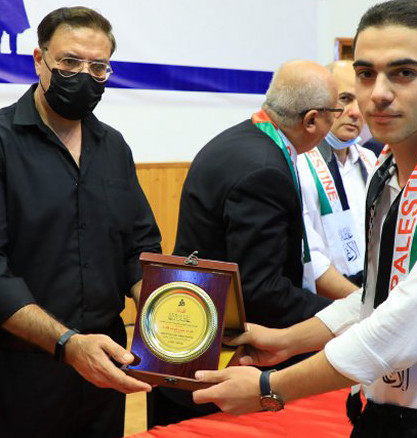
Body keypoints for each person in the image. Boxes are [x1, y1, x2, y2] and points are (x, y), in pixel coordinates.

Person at [192, 0, 417, 437]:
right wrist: (288, 340)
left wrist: (270, 388)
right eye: (366, 74)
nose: (378, 92)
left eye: (404, 73)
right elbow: (380, 296)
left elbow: (404, 324)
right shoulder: (386, 169)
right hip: (382, 412)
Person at [0, 6, 161, 438]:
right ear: (39, 60)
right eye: (69, 62)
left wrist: (172, 321)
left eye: (98, 67)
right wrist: (67, 344)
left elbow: (139, 250)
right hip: (23, 368)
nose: (84, 75)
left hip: (106, 360)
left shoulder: (114, 146)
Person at [149, 60, 355, 428]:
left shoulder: (240, 140)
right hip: (220, 362)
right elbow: (261, 290)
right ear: (311, 120)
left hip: (190, 339)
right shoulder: (265, 169)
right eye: (335, 112)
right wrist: (342, 317)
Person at [298, 60, 378, 286]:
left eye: (362, 101)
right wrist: (357, 301)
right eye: (345, 99)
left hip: (369, 289)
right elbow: (310, 258)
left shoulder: (371, 160)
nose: (355, 112)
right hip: (326, 298)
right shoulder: (300, 162)